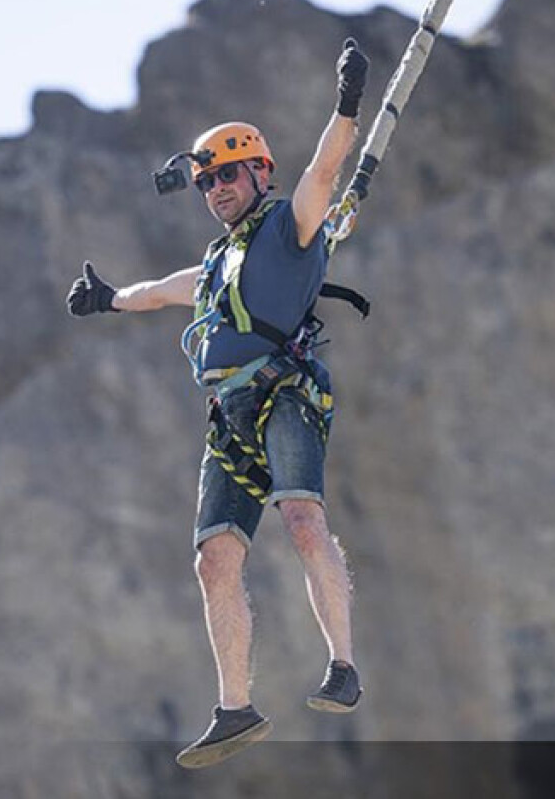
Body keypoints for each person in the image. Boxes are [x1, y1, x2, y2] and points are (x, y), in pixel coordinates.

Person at [66, 38, 370, 768]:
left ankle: (343, 665)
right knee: (213, 560)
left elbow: (324, 170)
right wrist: (107, 299)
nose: (216, 189)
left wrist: (347, 105)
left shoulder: (291, 228)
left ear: (259, 171)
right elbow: (155, 292)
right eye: (206, 182)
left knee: (303, 520)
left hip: (283, 391)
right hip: (228, 417)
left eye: (228, 174)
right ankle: (235, 709)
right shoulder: (212, 264)